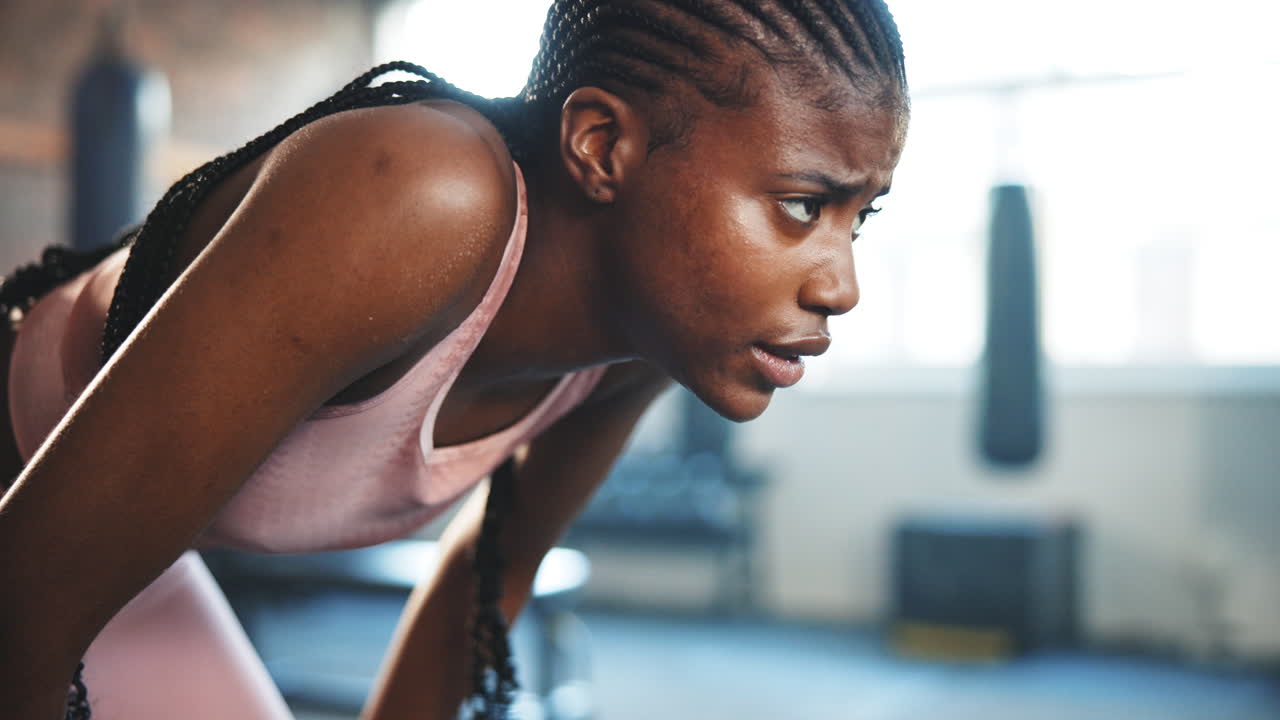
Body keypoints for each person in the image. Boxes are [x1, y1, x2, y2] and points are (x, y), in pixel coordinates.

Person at [0, 1, 908, 718]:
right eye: (803, 205)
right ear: (602, 145)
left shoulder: (639, 345)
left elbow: (483, 587)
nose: (842, 287)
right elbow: (25, 599)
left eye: (857, 218)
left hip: (97, 568)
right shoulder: (419, 195)